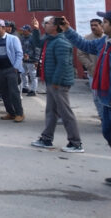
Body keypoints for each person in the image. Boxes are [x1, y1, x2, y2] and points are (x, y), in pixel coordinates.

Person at [61, 11, 111, 182]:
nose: (102, 25)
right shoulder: (103, 42)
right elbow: (84, 45)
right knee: (107, 132)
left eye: (105, 22)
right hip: (105, 97)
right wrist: (68, 29)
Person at [29, 15, 83, 152]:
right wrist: (35, 29)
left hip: (58, 83)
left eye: (47, 23)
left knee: (65, 113)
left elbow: (63, 64)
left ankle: (75, 143)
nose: (44, 24)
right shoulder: (50, 39)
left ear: (55, 27)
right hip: (52, 82)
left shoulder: (61, 42)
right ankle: (46, 139)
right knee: (51, 112)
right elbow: (37, 43)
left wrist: (56, 82)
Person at [0, 19, 25, 122]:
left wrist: (16, 67)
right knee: (4, 93)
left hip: (11, 69)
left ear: (4, 28)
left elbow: (19, 53)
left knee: (14, 92)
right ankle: (10, 113)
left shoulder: (13, 38)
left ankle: (19, 113)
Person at [80, 18, 104, 119]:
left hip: (107, 73)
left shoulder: (107, 38)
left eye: (95, 25)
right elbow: (81, 54)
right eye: (91, 25)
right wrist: (91, 66)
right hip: (93, 74)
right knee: (96, 98)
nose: (93, 27)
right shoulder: (87, 39)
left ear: (102, 26)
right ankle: (102, 117)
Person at [20, 25, 39, 97]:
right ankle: (25, 87)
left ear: (28, 31)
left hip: (32, 60)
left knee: (33, 75)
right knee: (23, 74)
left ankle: (33, 90)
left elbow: (37, 49)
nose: (22, 31)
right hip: (24, 60)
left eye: (24, 30)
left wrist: (36, 60)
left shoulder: (33, 38)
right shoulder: (22, 38)